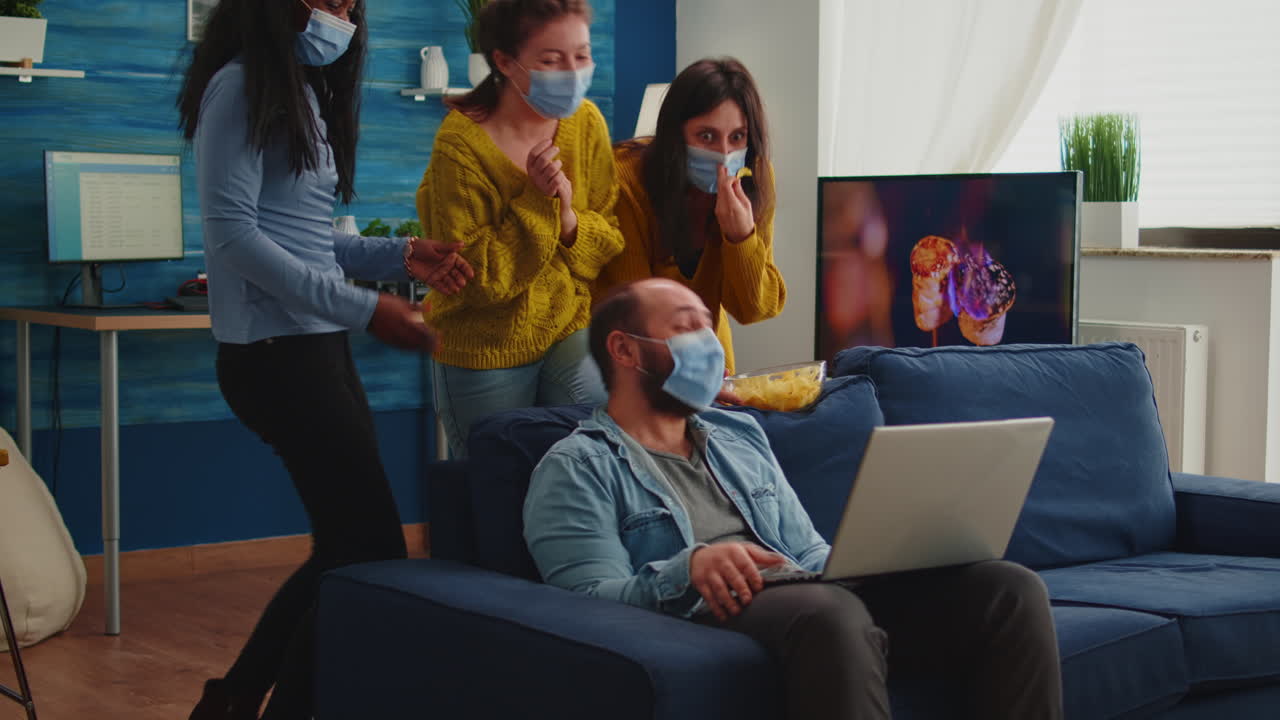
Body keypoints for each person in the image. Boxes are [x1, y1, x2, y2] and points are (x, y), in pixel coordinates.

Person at [523, 278, 1064, 720]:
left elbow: (805, 551)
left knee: (1008, 588)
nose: (708, 343)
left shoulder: (739, 435)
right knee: (830, 612)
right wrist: (689, 568)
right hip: (705, 610)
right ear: (624, 350)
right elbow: (584, 601)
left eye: (707, 327)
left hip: (805, 591)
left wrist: (891, 562)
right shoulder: (577, 465)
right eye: (686, 327)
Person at [177, 1, 464, 717]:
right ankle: (252, 700)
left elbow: (305, 236)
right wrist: (370, 308)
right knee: (366, 550)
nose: (338, 15)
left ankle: (235, 699)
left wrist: (399, 254)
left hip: (313, 348)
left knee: (350, 546)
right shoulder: (238, 88)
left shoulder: (297, 89)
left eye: (349, 4)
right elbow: (236, 238)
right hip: (275, 357)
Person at [415, 0, 623, 458]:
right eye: (551, 60)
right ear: (505, 62)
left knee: (593, 464)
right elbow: (479, 281)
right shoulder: (461, 145)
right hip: (484, 348)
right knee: (498, 489)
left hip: (567, 326)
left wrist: (568, 219)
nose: (572, 72)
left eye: (582, 55)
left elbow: (609, 237)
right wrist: (536, 201)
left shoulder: (586, 123)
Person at [596, 58, 786, 374]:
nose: (724, 154)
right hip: (630, 358)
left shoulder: (757, 177)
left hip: (708, 358)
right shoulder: (625, 181)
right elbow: (635, 310)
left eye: (737, 137)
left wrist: (740, 238)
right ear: (676, 135)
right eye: (707, 136)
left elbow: (755, 309)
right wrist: (698, 369)